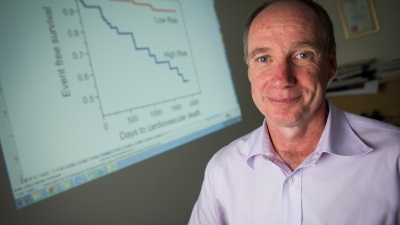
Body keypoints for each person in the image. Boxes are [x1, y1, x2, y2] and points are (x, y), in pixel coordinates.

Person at [188, 0, 400, 224]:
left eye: (302, 55)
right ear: (249, 71)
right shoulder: (222, 169)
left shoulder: (394, 157)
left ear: (331, 64)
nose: (282, 79)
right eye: (263, 58)